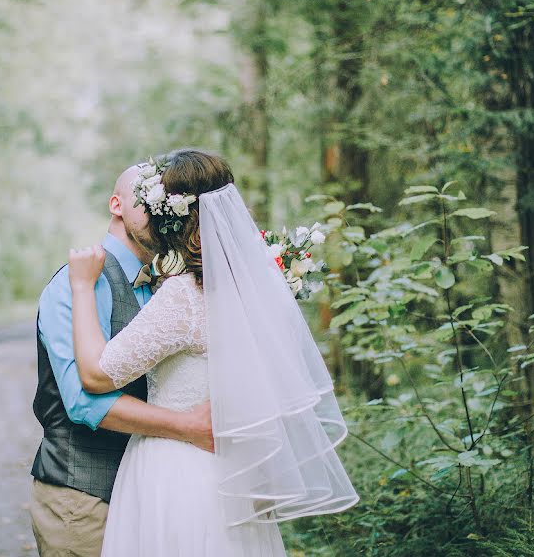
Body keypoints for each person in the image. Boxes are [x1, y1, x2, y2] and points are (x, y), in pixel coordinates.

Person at [68, 149, 359, 556]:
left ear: (172, 217)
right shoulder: (252, 289)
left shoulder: (184, 297)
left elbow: (97, 375)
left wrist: (82, 287)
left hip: (177, 475)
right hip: (234, 474)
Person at [30, 165, 214, 557]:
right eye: (147, 200)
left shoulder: (170, 289)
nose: (162, 212)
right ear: (116, 204)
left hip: (156, 495)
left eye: (169, 204)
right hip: (84, 498)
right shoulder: (75, 283)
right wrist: (187, 426)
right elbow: (84, 401)